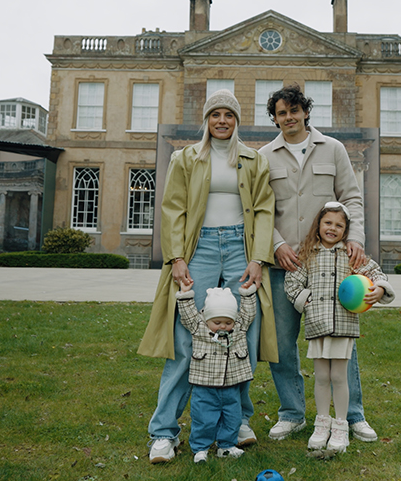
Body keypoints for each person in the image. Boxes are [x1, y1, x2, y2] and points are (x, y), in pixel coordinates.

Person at [138, 89, 277, 464]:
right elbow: (172, 208)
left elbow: (264, 209)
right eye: (215, 114)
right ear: (206, 119)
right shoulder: (185, 158)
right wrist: (177, 256)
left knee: (242, 335)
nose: (222, 120)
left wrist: (258, 258)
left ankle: (237, 421)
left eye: (229, 115)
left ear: (237, 120)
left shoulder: (253, 160)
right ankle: (164, 432)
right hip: (198, 248)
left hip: (240, 248)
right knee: (187, 339)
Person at [258, 83, 378, 443]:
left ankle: (352, 415)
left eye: (294, 111)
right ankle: (292, 414)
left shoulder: (334, 149)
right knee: (282, 344)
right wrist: (277, 244)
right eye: (281, 113)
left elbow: (351, 198)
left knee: (341, 338)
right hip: (284, 266)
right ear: (274, 118)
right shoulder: (264, 156)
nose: (289, 118)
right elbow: (260, 210)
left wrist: (355, 239)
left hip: (330, 266)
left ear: (306, 112)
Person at [285, 202, 395, 452]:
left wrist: (379, 289)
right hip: (317, 324)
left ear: (345, 230)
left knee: (338, 377)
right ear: (318, 225)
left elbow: (376, 273)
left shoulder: (350, 254)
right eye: (328, 223)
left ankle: (341, 426)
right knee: (322, 377)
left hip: (343, 325)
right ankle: (322, 423)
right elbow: (292, 283)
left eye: (339, 225)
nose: (332, 228)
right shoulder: (307, 254)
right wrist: (306, 300)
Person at [175, 280, 259, 463]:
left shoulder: (238, 329)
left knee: (232, 418)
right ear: (207, 318)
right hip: (204, 387)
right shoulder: (199, 328)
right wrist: (185, 295)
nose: (223, 326)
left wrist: (247, 294)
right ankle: (200, 448)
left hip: (231, 386)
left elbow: (248, 313)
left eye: (228, 322)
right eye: (217, 322)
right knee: (203, 418)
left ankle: (226, 446)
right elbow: (188, 315)